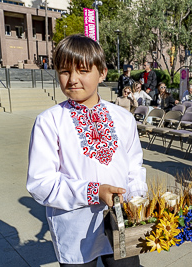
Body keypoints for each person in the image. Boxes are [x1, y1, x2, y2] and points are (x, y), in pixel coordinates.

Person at [26, 34, 146, 266]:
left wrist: (137, 202)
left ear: (102, 73)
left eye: (82, 70)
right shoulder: (50, 121)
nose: (73, 79)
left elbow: (134, 165)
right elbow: (41, 182)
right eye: (64, 71)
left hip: (122, 220)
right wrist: (93, 192)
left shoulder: (122, 117)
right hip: (75, 226)